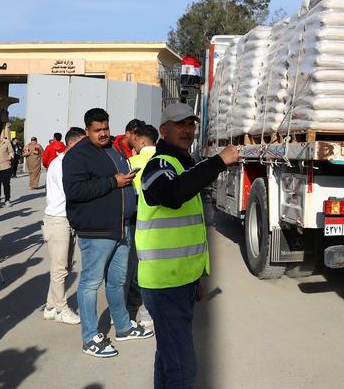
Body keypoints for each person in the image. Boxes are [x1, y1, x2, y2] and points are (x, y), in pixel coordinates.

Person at [137, 102, 238, 388]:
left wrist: (194, 281)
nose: (187, 130)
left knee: (168, 359)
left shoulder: (182, 164)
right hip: (163, 284)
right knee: (182, 367)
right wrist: (218, 161)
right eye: (180, 124)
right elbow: (172, 194)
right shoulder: (158, 165)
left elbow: (187, 227)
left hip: (180, 281)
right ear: (163, 129)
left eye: (191, 124)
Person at [63, 108, 153, 358]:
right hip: (96, 231)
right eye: (97, 130)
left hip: (120, 227)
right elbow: (75, 191)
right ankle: (90, 336)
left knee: (118, 282)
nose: (103, 134)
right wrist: (113, 182)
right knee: (90, 283)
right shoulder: (77, 156)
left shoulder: (113, 149)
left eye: (106, 128)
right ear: (87, 129)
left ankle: (123, 327)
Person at [42, 127, 84, 325]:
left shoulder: (66, 162)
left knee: (63, 266)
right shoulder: (62, 164)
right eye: (82, 143)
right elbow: (73, 192)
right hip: (58, 220)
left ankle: (51, 306)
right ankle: (61, 308)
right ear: (72, 144)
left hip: (65, 219)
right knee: (59, 268)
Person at [125, 123, 159, 326]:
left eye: (136, 140)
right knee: (153, 270)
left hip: (136, 224)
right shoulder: (164, 160)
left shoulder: (132, 162)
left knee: (133, 269)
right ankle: (148, 314)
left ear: (143, 140)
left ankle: (128, 310)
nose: (134, 144)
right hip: (160, 226)